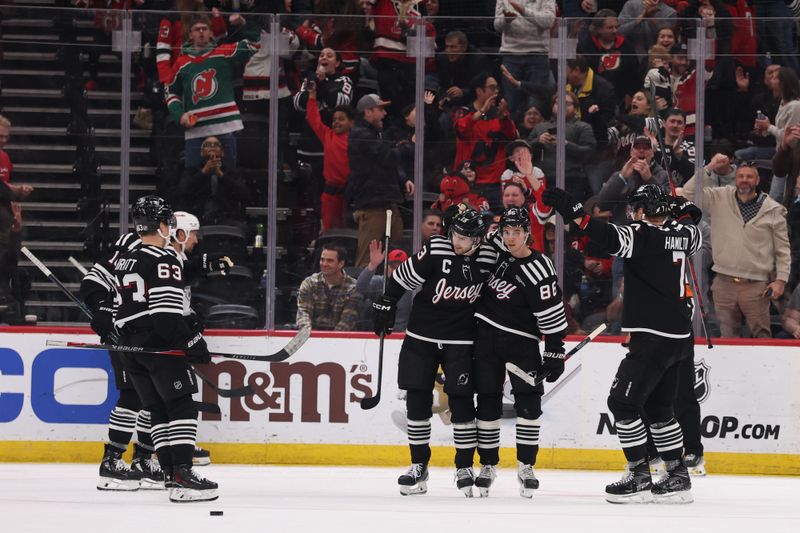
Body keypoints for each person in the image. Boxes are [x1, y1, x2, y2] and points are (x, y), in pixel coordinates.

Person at [544, 183, 702, 504]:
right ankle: (676, 473)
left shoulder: (641, 236)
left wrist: (577, 214)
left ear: (644, 210)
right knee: (659, 409)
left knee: (621, 403)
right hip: (679, 338)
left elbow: (607, 237)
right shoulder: (684, 236)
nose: (631, 214)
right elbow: (690, 226)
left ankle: (639, 474)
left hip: (651, 336)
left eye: (635, 208)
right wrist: (680, 211)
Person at [372, 207, 499, 496]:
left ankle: (464, 466)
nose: (458, 241)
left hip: (462, 341)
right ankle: (419, 465)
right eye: (455, 234)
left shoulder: (490, 256)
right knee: (416, 400)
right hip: (421, 337)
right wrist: (385, 303)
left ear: (479, 240)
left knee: (462, 402)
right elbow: (402, 279)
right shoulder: (437, 248)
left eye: (465, 239)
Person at [113, 196, 217, 503]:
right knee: (182, 403)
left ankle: (172, 474)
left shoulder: (127, 258)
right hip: (156, 346)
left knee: (157, 408)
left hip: (129, 349)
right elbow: (166, 318)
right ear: (161, 226)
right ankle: (182, 474)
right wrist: (193, 343)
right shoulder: (165, 259)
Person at [473, 207, 568, 498]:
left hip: (522, 342)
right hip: (485, 335)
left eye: (516, 233)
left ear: (528, 233)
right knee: (487, 400)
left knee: (529, 403)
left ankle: (526, 465)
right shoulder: (494, 249)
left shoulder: (540, 268)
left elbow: (552, 311)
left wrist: (554, 349)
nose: (510, 238)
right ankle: (488, 465)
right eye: (506, 232)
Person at [80, 230, 162, 491]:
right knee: (132, 395)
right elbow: (94, 281)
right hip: (124, 332)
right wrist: (103, 309)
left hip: (151, 334)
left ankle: (143, 459)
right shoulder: (131, 243)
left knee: (155, 395)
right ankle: (112, 460)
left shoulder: (167, 250)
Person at [682, 163, 790, 338]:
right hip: (724, 283)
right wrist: (708, 168)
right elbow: (688, 193)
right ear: (735, 179)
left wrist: (781, 281)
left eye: (749, 177)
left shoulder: (773, 210)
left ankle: (762, 366)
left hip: (756, 285)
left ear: (757, 180)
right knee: (728, 337)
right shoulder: (720, 197)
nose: (744, 180)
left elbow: (783, 250)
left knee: (762, 335)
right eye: (740, 176)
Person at [164, 13, 259, 169]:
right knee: (194, 178)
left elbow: (255, 43)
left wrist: (244, 24)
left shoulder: (223, 52)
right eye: (197, 29)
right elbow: (170, 91)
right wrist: (179, 115)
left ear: (211, 33)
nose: (201, 32)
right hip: (195, 129)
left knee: (228, 176)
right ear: (190, 34)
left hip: (226, 126)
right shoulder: (181, 63)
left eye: (205, 29)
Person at [346, 93, 414, 267]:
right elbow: (388, 157)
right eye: (380, 109)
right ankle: (362, 293)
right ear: (368, 112)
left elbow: (388, 161)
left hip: (387, 200)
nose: (384, 113)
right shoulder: (361, 134)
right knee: (367, 257)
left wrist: (403, 178)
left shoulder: (377, 133)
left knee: (397, 253)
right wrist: (409, 144)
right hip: (372, 204)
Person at [453, 73, 519, 211]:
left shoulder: (498, 114)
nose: (496, 92)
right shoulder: (463, 112)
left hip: (495, 183)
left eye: (497, 88)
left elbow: (512, 137)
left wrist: (504, 118)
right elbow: (462, 129)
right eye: (492, 88)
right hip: (468, 183)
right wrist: (482, 111)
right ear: (479, 91)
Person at [303, 80, 355, 232]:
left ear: (352, 123)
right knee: (329, 232)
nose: (336, 122)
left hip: (350, 195)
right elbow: (313, 118)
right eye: (334, 120)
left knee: (348, 232)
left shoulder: (357, 139)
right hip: (330, 194)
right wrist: (312, 96)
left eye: (341, 119)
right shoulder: (328, 135)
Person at [493, 0, 556, 111]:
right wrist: (505, 20)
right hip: (511, 54)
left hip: (537, 54)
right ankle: (511, 128)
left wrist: (523, 11)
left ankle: (536, 129)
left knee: (535, 105)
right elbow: (497, 25)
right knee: (510, 103)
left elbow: (549, 21)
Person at [172, 136, 249, 227]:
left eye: (216, 145)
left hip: (227, 217)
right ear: (201, 152)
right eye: (207, 145)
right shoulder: (191, 171)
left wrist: (221, 174)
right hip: (197, 217)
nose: (212, 147)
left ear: (222, 152)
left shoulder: (232, 172)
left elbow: (245, 195)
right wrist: (204, 172)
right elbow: (181, 192)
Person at [576, 10, 640, 107]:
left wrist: (630, 94)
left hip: (621, 99)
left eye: (616, 27)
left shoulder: (626, 46)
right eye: (610, 28)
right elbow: (582, 73)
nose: (615, 31)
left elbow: (634, 72)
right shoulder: (586, 47)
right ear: (598, 29)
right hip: (593, 97)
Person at [296, 244, 363, 331]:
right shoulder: (309, 283)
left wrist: (330, 340)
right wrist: (307, 335)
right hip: (311, 335)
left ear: (341, 264)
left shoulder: (353, 287)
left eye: (330, 261)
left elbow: (348, 320)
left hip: (341, 339)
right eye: (322, 260)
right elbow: (303, 313)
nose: (324, 264)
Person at [356, 241, 412, 332]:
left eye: (400, 266)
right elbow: (360, 287)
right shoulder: (379, 281)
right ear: (386, 266)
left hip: (404, 335)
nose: (396, 270)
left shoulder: (414, 287)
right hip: (379, 333)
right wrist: (372, 265)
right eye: (393, 266)